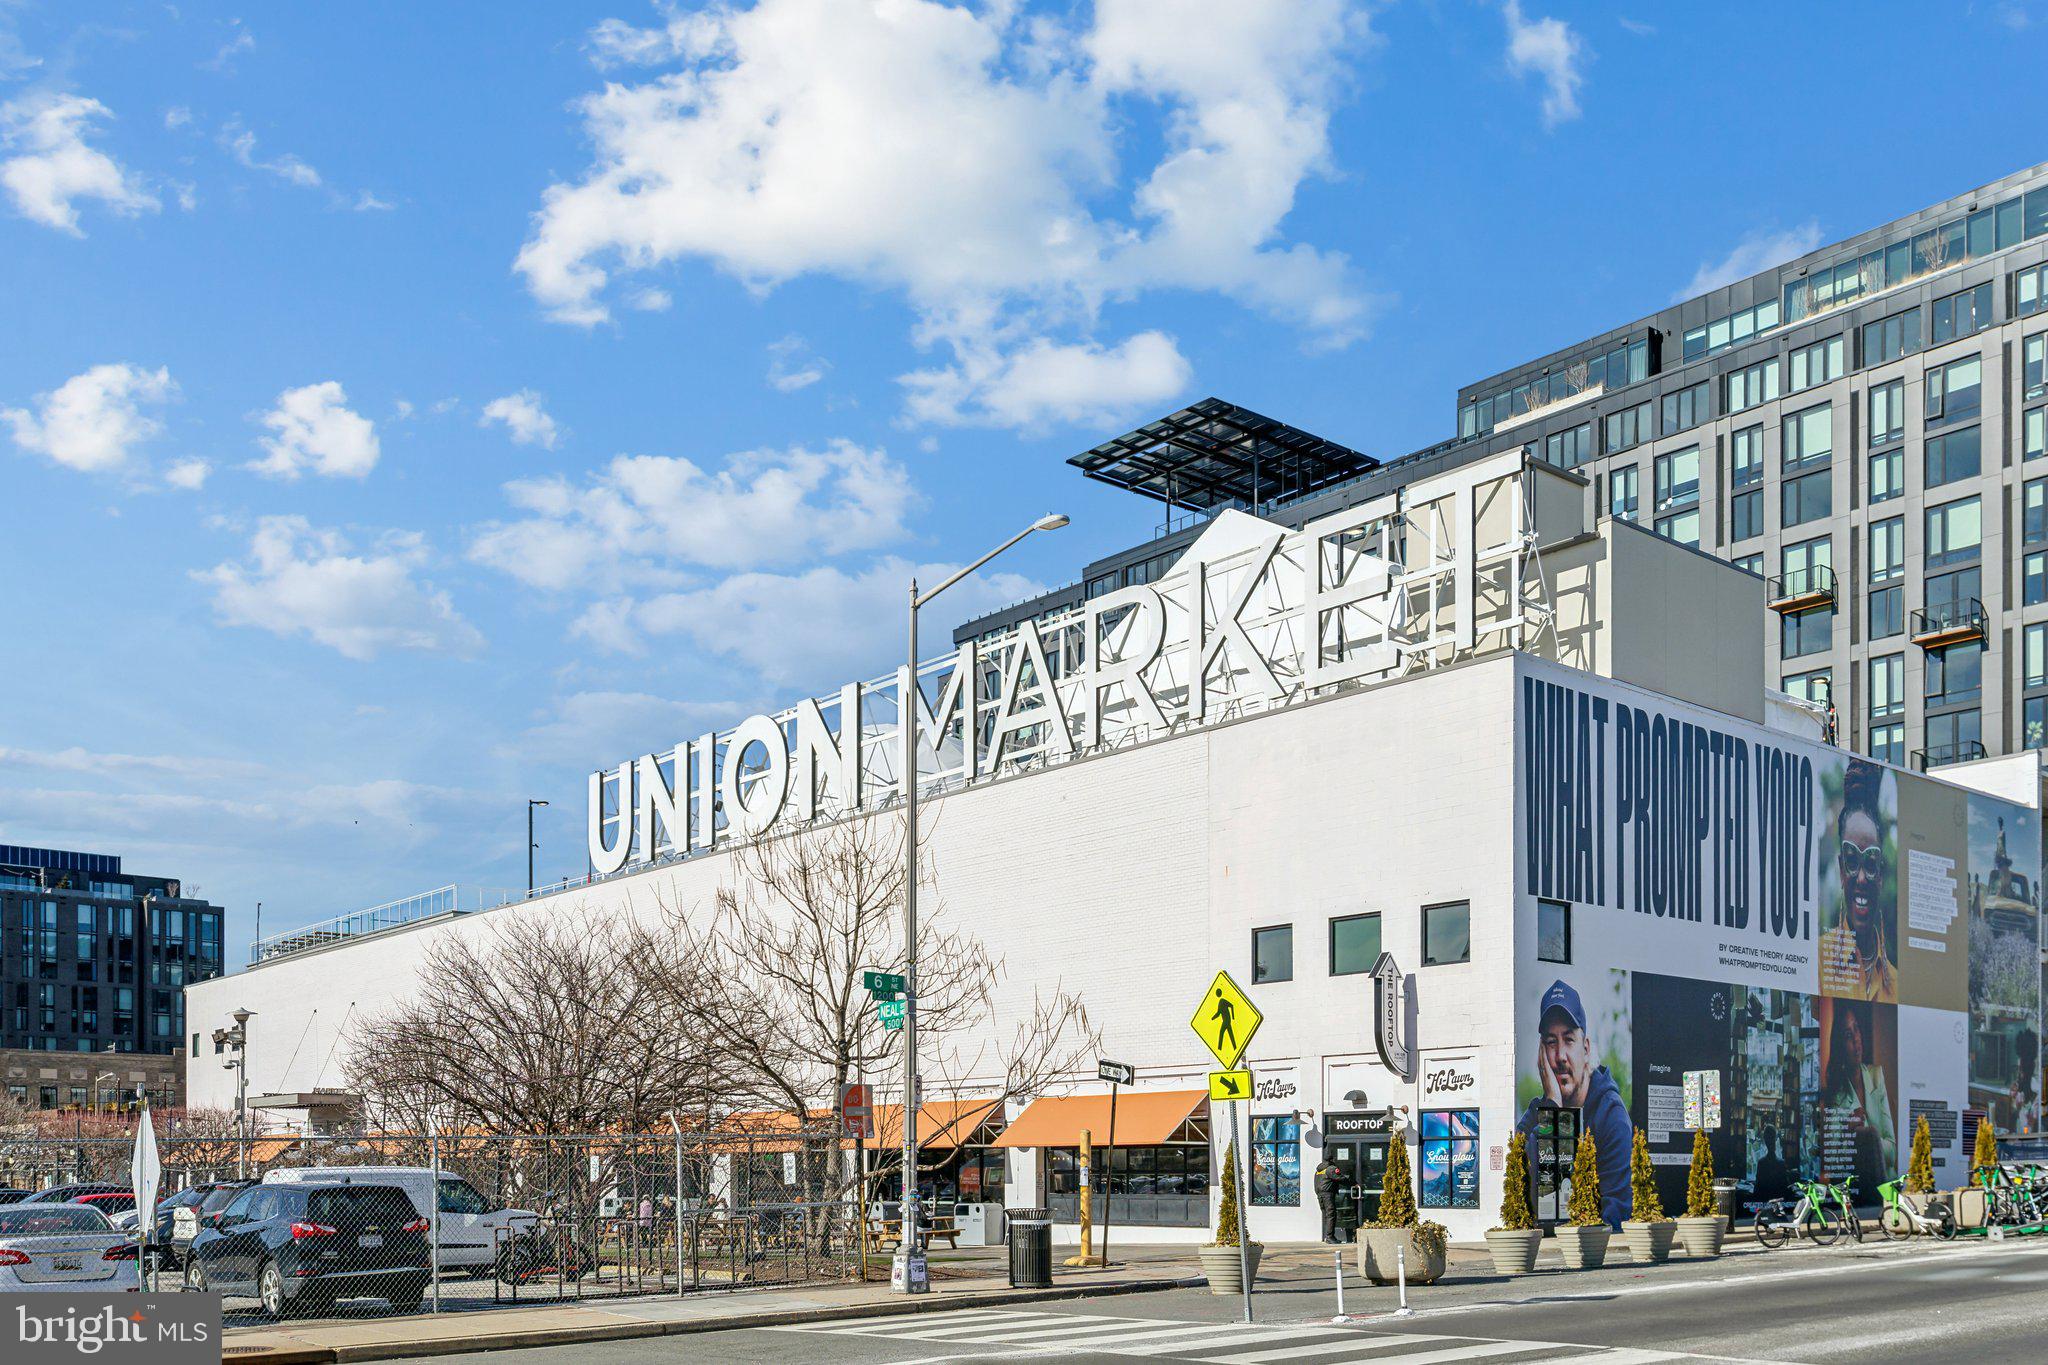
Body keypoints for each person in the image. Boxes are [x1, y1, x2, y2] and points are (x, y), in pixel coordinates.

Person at [1516, 978, 1632, 1229]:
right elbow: (1526, 1188)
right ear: (1541, 1056)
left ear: (1586, 1049)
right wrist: (1553, 1111)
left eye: (1568, 1040)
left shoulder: (1611, 1115)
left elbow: (1617, 1214)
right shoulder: (1539, 1111)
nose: (1559, 1057)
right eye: (1550, 1042)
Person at [1819, 761, 1897, 1003]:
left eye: (1871, 862)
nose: (1862, 878)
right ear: (1842, 869)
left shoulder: (1896, 986)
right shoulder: (1817, 961)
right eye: (1852, 860)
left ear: (1881, 875)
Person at [1824, 1000, 1896, 1178]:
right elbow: (1833, 1162)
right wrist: (1848, 1134)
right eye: (1848, 1035)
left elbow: (1892, 1152)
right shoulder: (1836, 1096)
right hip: (1857, 1187)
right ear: (1840, 1046)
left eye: (1856, 1028)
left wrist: (1865, 1138)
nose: (1856, 1039)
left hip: (1885, 1185)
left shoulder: (1876, 1077)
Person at [1751, 1125, 1791, 1203]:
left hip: (1764, 1203)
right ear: (1775, 1140)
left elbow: (1757, 1189)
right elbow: (1785, 1187)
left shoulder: (1761, 1163)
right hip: (1779, 1203)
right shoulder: (1781, 1163)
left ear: (1765, 1141)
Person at [1314, 1155, 1341, 1243]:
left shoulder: (1319, 1171)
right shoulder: (1331, 1169)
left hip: (1320, 1195)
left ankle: (1328, 1236)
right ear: (1332, 1159)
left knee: (1327, 1215)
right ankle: (1330, 1237)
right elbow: (1340, 1178)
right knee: (1331, 1215)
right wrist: (1353, 1182)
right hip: (1327, 1195)